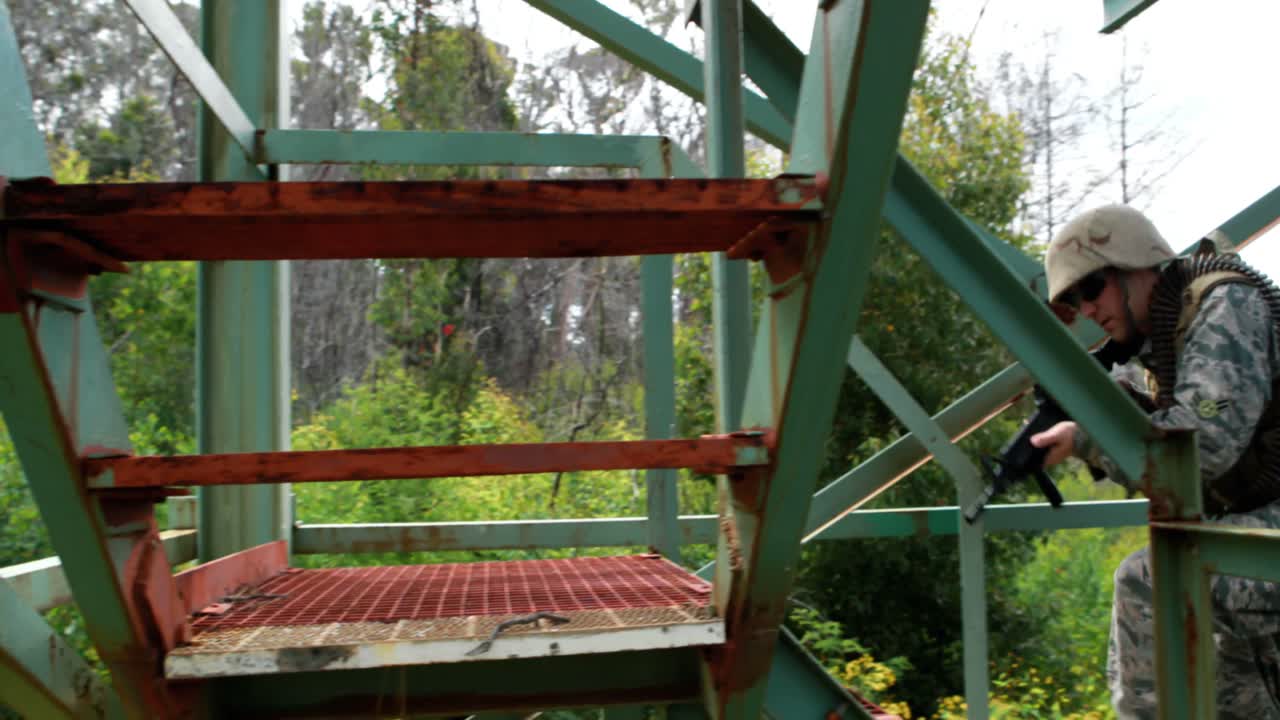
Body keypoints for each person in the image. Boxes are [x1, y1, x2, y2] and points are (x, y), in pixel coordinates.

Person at [1029, 203, 1280, 719]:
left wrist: (1088, 439)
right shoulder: (1161, 344)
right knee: (1225, 667)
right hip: (1258, 515)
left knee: (1146, 577)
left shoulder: (1225, 303)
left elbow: (1203, 448)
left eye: (1092, 288)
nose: (1089, 310)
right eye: (1075, 300)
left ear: (1134, 264)